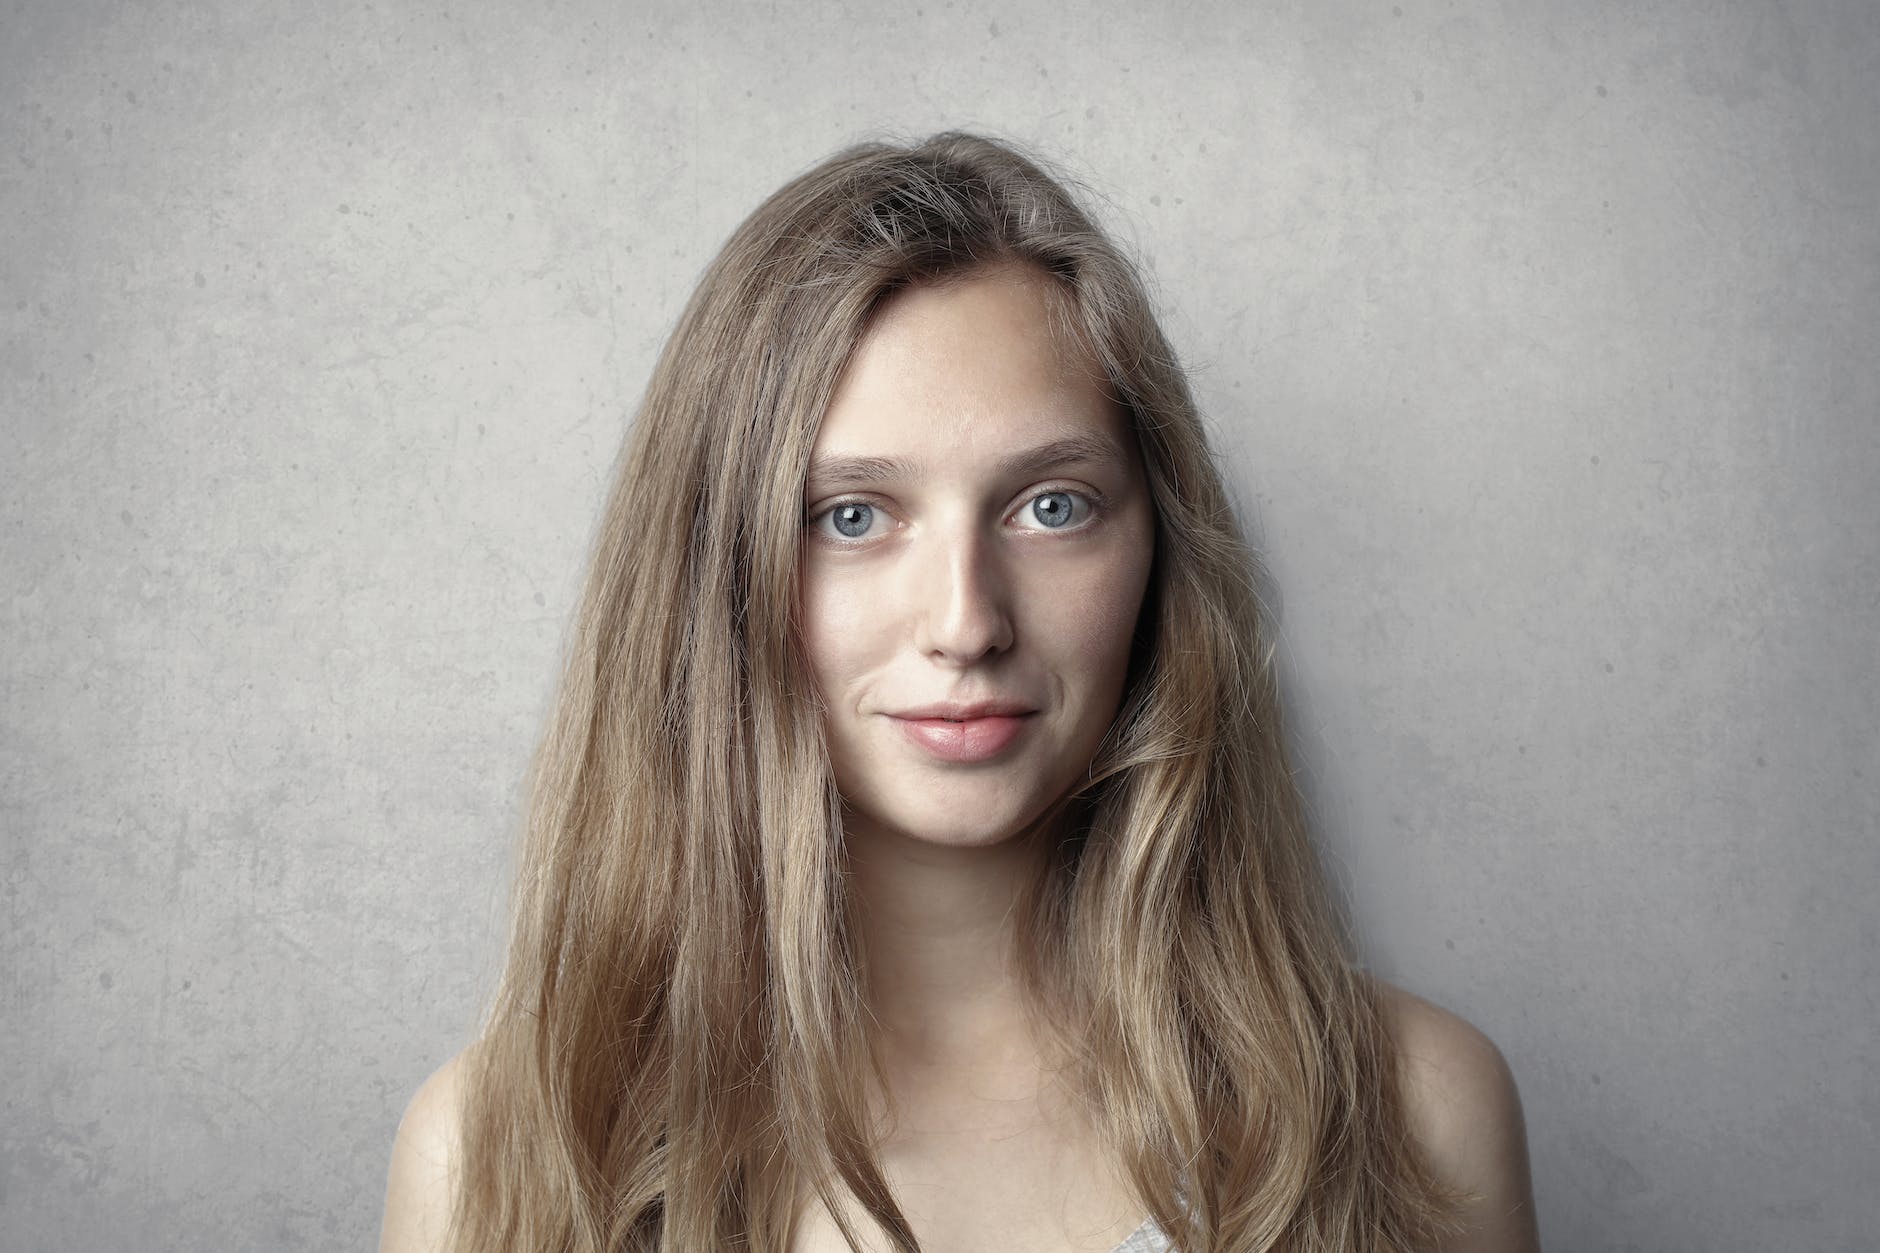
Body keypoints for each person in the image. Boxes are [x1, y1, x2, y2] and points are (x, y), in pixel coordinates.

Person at [378, 132, 1539, 1253]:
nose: (964, 623)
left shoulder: (1414, 1111)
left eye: (1050, 504)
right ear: (709, 578)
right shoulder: (499, 1150)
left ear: (1159, 552)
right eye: (850, 517)